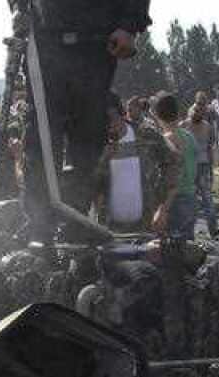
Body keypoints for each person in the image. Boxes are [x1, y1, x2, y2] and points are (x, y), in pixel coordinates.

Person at [17, 0, 152, 243]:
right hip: (45, 43)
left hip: (94, 45)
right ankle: (39, 227)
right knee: (40, 138)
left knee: (87, 141)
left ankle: (77, 224)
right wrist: (18, 8)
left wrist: (129, 25)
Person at [94, 93, 178, 234]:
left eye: (111, 118)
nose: (109, 125)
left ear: (122, 114)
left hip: (146, 227)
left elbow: (174, 163)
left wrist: (163, 208)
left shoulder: (146, 135)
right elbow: (91, 184)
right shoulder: (97, 145)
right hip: (110, 230)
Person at [151, 93, 197, 242]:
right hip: (190, 197)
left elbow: (174, 176)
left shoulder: (166, 140)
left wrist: (163, 209)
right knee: (186, 247)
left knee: (169, 248)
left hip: (174, 201)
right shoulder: (189, 136)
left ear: (156, 115)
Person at [181, 93, 219, 239]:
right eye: (196, 110)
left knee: (206, 198)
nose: (198, 112)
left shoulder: (207, 127)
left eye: (201, 110)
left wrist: (211, 167)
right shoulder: (184, 125)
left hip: (202, 166)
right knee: (190, 198)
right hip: (188, 166)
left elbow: (210, 148)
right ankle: (188, 231)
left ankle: (213, 229)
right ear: (192, 110)